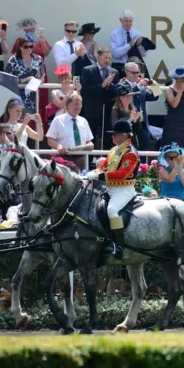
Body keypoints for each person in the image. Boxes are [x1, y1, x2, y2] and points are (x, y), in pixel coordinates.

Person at [83, 119, 139, 260]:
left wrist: (100, 176)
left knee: (112, 210)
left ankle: (119, 245)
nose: (113, 136)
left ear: (125, 135)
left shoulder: (131, 153)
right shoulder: (114, 150)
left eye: (116, 134)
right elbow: (105, 165)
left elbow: (122, 174)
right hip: (110, 188)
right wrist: (95, 171)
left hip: (124, 189)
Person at [80, 46, 119, 150]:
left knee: (108, 136)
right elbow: (85, 90)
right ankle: (87, 160)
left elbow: (116, 93)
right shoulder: (88, 70)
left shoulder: (114, 72)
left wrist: (110, 85)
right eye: (105, 57)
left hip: (107, 110)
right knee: (90, 135)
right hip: (92, 109)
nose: (108, 61)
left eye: (110, 58)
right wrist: (101, 85)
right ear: (98, 57)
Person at [46, 93, 94, 169]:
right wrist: (58, 146)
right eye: (75, 104)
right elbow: (50, 140)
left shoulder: (84, 121)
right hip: (64, 158)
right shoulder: (58, 120)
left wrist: (90, 145)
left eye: (80, 105)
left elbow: (89, 141)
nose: (78, 107)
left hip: (81, 158)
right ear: (67, 106)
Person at [122, 60, 159, 152]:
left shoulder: (141, 88)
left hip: (142, 123)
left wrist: (154, 85)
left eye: (137, 73)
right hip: (130, 123)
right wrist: (138, 84)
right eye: (133, 73)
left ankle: (144, 167)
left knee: (145, 149)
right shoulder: (122, 85)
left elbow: (154, 97)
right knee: (131, 150)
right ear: (126, 72)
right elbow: (128, 93)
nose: (136, 75)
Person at [161, 66, 184, 151]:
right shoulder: (169, 89)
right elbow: (174, 104)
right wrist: (180, 91)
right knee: (170, 151)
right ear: (177, 79)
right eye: (183, 78)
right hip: (172, 125)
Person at [5, 38, 43, 114]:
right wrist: (23, 80)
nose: (29, 49)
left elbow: (42, 76)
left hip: (33, 95)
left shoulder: (38, 59)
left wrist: (35, 80)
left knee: (32, 119)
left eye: (31, 46)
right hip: (17, 95)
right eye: (26, 47)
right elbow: (7, 77)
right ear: (20, 47)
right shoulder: (13, 59)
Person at [110, 10, 149, 78]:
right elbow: (115, 53)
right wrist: (129, 45)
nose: (128, 23)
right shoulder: (114, 34)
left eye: (130, 21)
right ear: (120, 20)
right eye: (126, 21)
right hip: (120, 67)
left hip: (135, 68)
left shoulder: (137, 33)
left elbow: (143, 54)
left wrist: (139, 46)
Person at [12, 18, 51, 83]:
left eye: (33, 27)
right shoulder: (20, 40)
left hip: (40, 70)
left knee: (41, 91)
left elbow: (46, 53)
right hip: (25, 70)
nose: (31, 29)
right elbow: (17, 56)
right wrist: (36, 44)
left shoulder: (40, 39)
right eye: (28, 28)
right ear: (24, 29)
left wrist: (42, 43)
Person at [0, 125, 19, 220]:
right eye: (7, 133)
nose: (10, 135)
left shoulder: (13, 148)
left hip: (12, 186)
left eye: (11, 133)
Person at [110, 82, 142, 148]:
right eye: (126, 96)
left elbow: (137, 130)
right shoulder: (115, 110)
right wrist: (130, 120)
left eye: (130, 96)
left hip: (132, 142)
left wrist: (135, 121)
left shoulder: (133, 110)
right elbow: (115, 127)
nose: (129, 99)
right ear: (121, 98)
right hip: (120, 142)